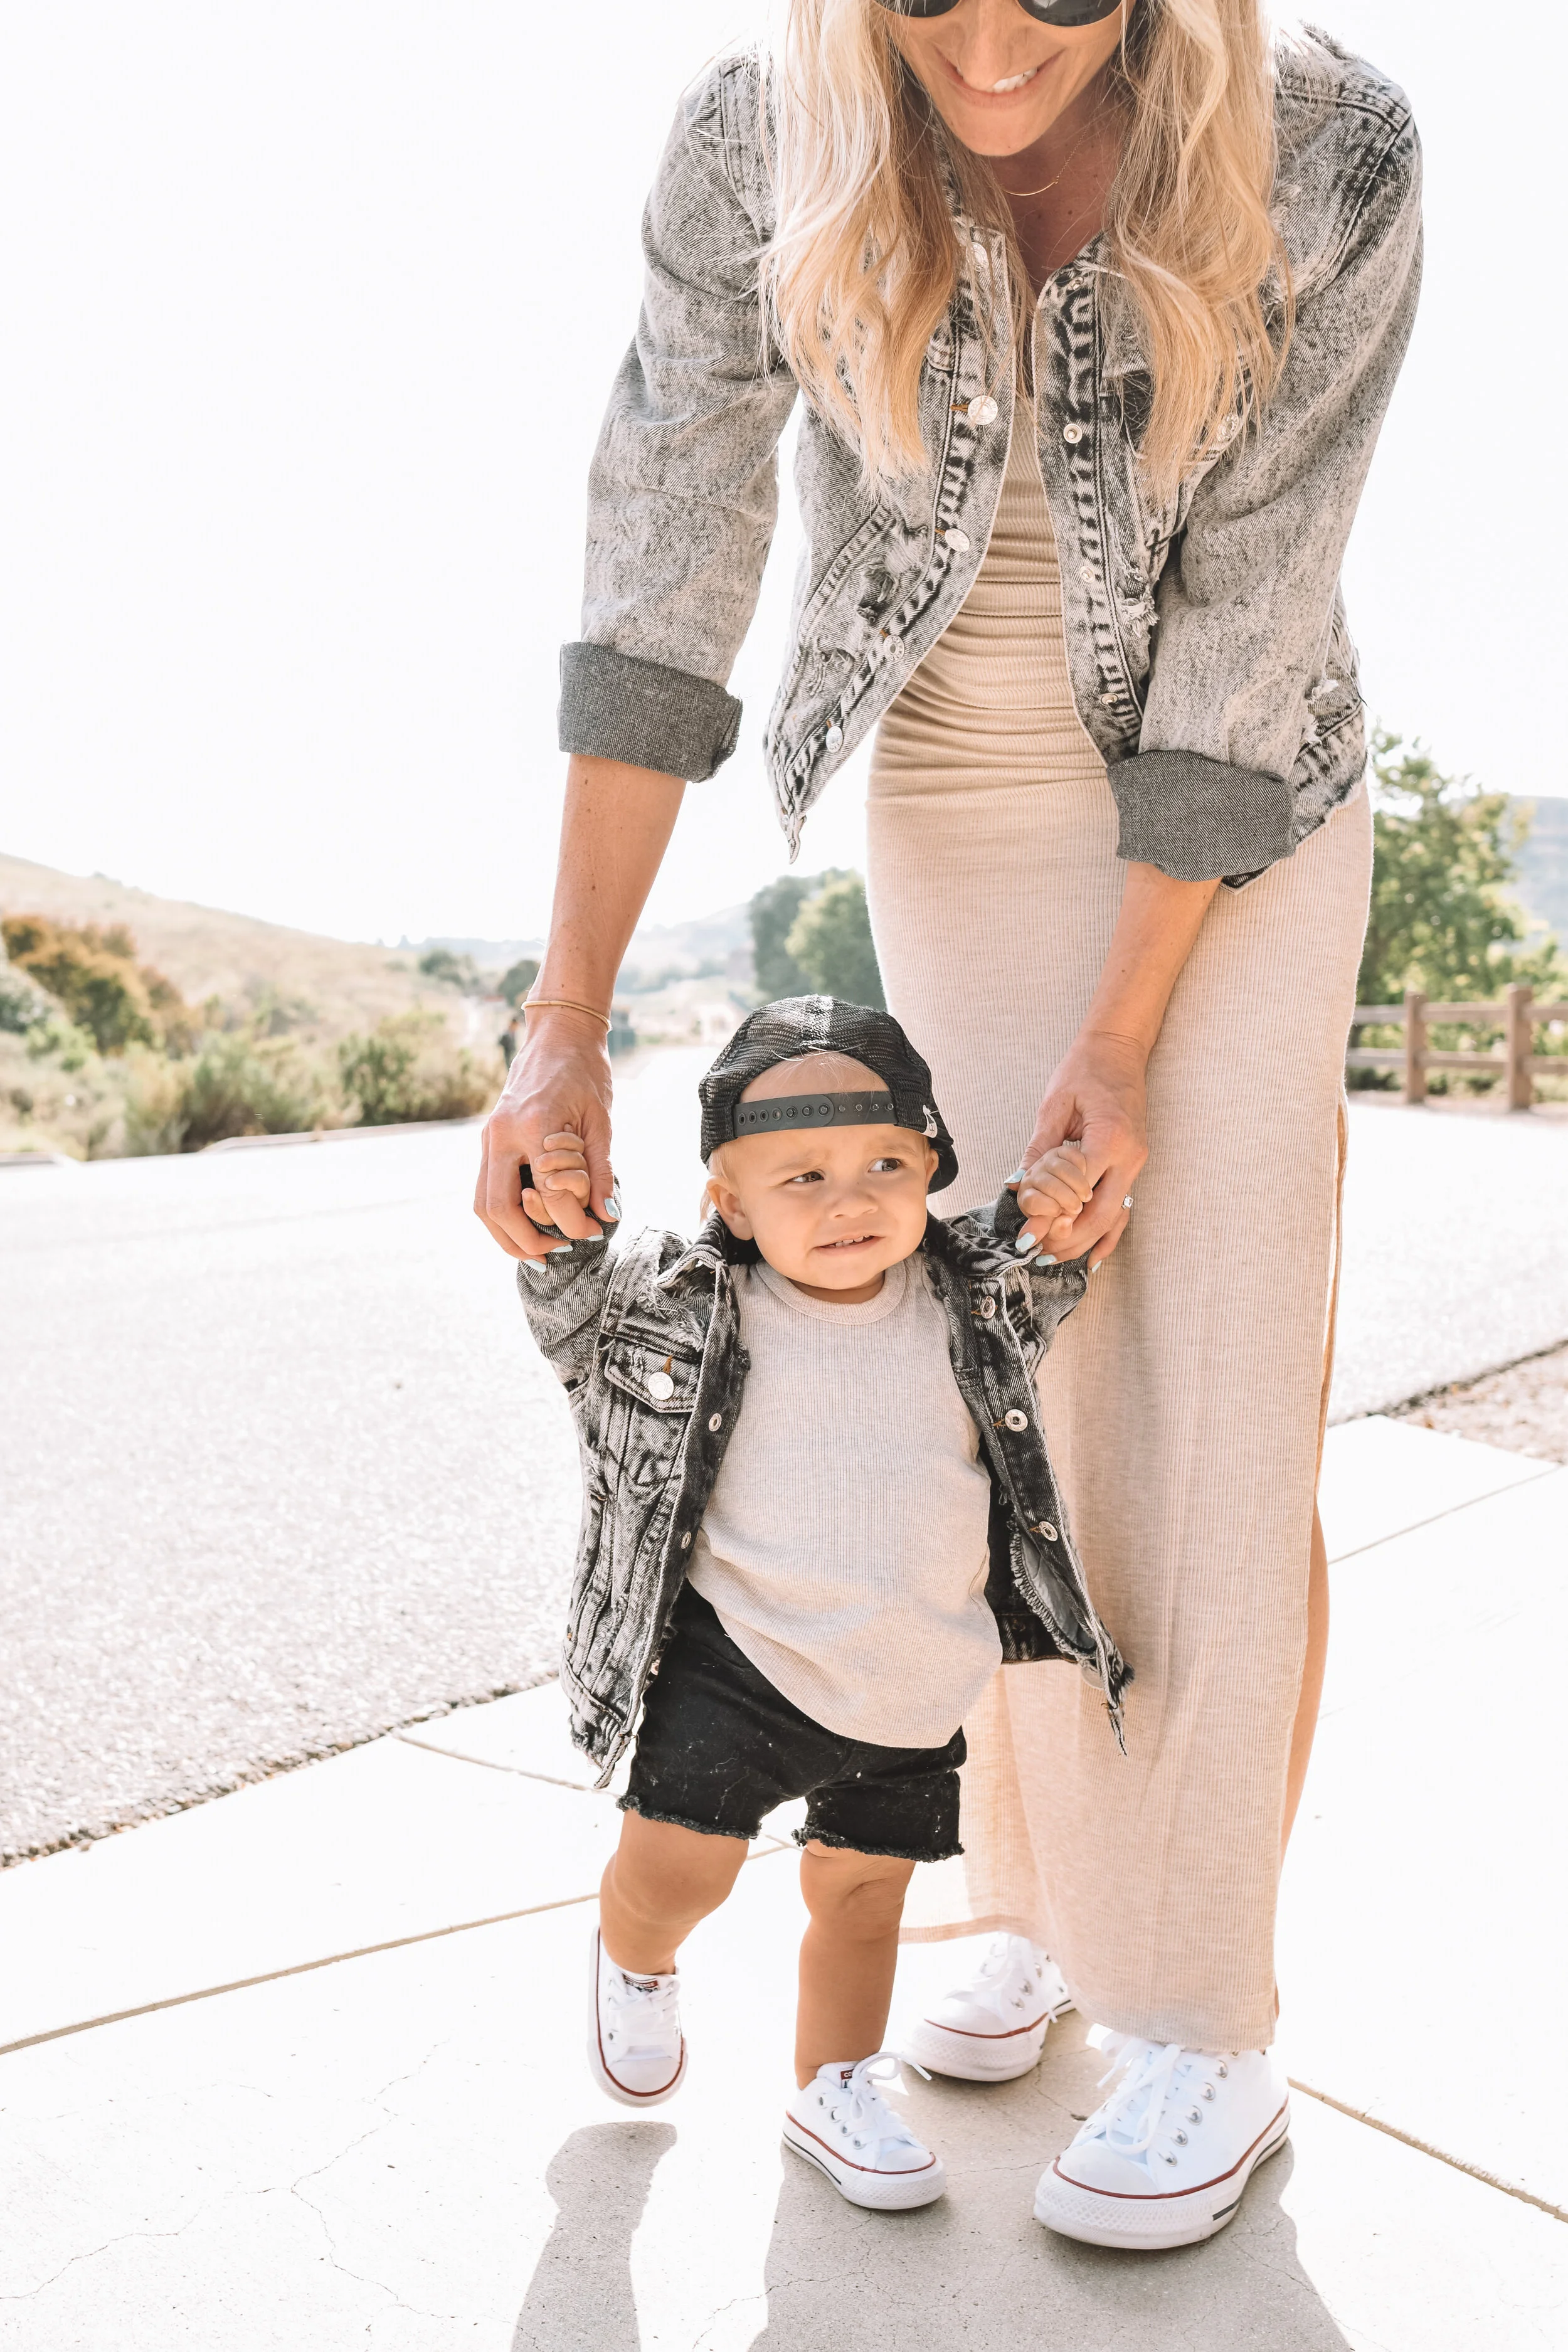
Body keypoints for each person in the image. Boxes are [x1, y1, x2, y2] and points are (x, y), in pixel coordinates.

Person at [476, 0, 1420, 2251]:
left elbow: (1249, 618)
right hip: (957, 797)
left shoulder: (1330, 140)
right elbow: (667, 575)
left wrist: (1125, 1034)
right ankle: (1035, 1890)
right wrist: (567, 1022)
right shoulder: (756, 137)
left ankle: (1202, 1999)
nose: (994, 44)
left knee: (1206, 1377)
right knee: (1006, 1381)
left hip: (1244, 815)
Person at [515, 997, 1123, 2213]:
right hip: (737, 1664)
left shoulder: (965, 1299)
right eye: (800, 1176)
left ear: (932, 1168)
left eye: (884, 1165)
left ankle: (831, 2088)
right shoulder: (684, 1306)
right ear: (728, 1205)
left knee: (859, 1905)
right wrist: (556, 1211)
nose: (849, 1202)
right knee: (679, 1867)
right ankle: (633, 1956)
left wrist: (1057, 1212)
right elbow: (567, 1304)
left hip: (911, 1679)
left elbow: (1049, 1269)